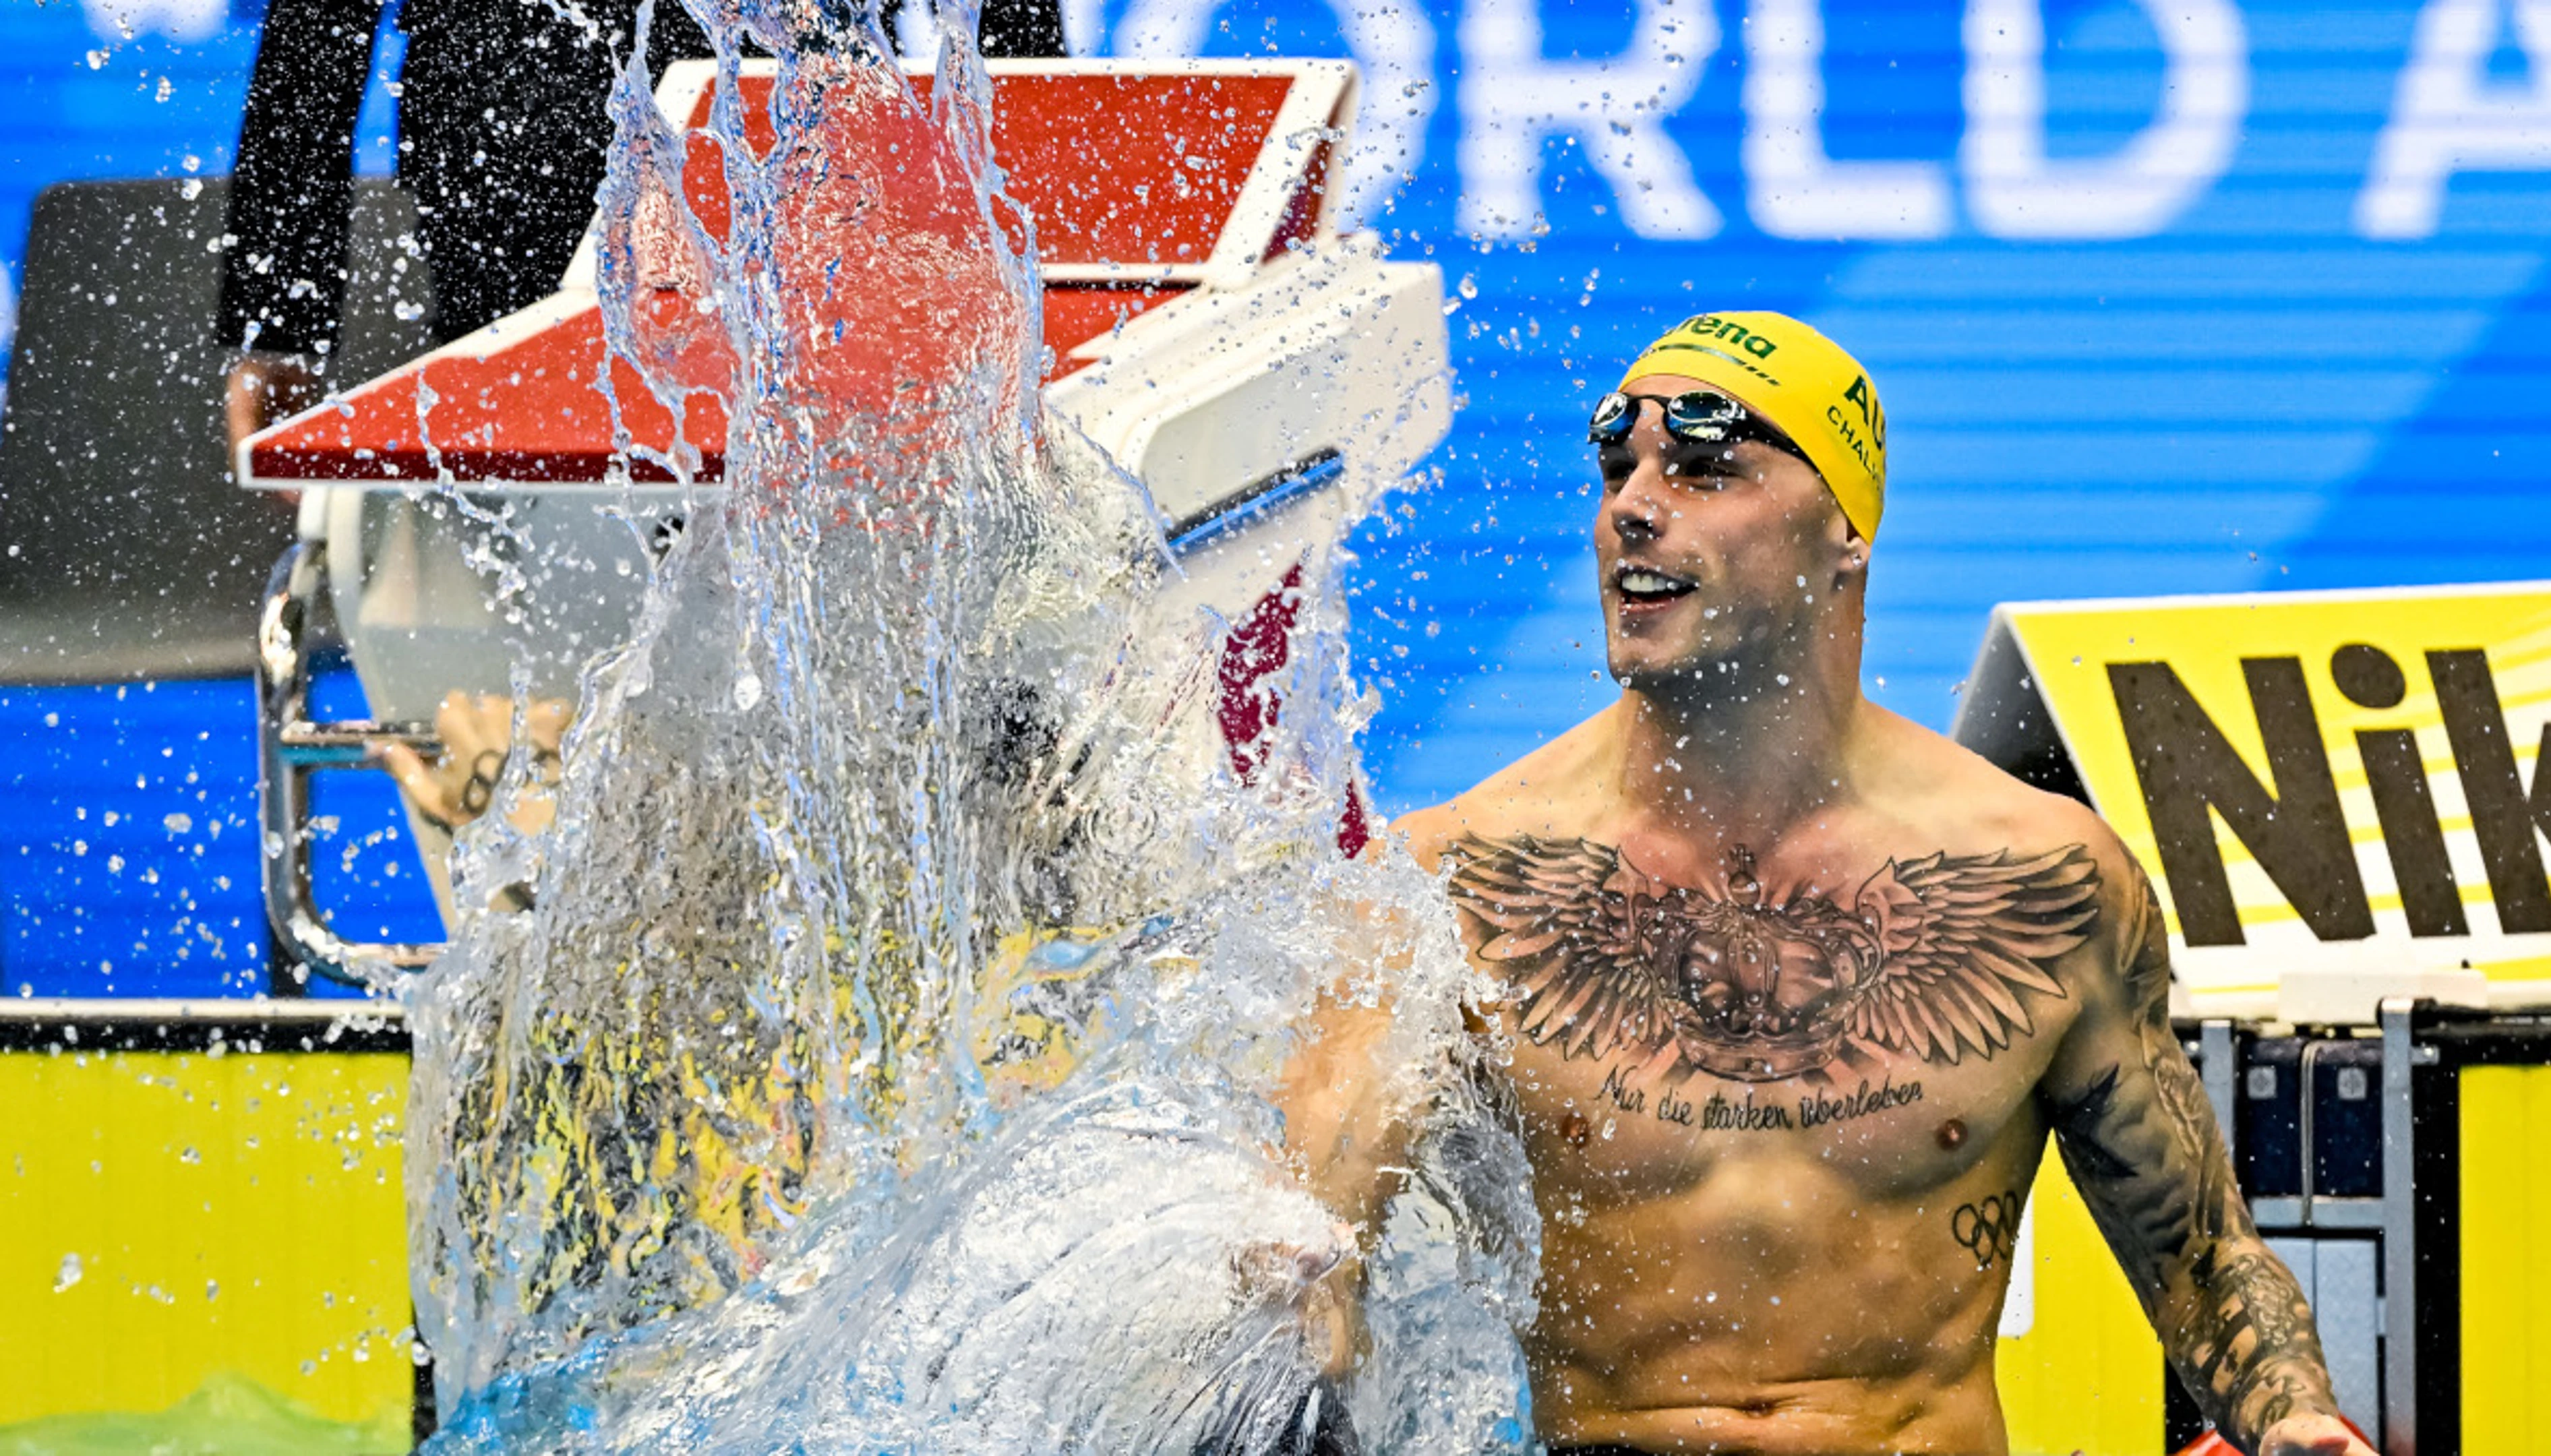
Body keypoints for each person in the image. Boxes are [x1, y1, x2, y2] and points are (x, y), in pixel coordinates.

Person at [1279, 311, 2376, 1455]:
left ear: (1846, 529)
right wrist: (1293, 1281)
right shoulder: (1454, 886)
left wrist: (2294, 1418)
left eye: (1706, 471)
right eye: (1618, 469)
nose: (1633, 508)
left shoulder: (2043, 878)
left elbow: (2198, 1260)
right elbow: (1308, 1256)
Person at [216, 0, 1067, 450]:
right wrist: (277, 315)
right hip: (534, 202)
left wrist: (1059, 267)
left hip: (766, 172)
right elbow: (314, 35)